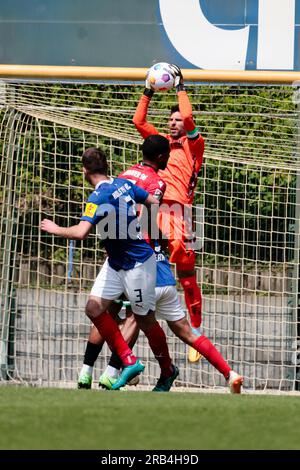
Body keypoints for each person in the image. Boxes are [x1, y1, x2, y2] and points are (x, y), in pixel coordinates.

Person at [77, 140, 243, 393]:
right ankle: (228, 373)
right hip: (159, 267)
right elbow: (152, 213)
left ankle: (115, 371)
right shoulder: (158, 185)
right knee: (176, 327)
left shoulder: (123, 180)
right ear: (163, 156)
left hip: (137, 263)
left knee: (117, 312)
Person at [40, 146, 178, 390]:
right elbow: (152, 200)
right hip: (116, 263)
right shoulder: (122, 184)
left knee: (146, 321)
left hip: (138, 265)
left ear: (85, 170)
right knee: (93, 308)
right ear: (105, 166)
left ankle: (167, 370)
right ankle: (128, 360)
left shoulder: (97, 197)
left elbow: (81, 232)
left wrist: (55, 228)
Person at [78, 244, 243, 394]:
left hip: (145, 279)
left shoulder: (127, 222)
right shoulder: (151, 219)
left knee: (123, 316)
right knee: (187, 333)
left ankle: (111, 372)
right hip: (166, 281)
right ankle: (229, 374)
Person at [132, 65, 204, 363]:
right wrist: (148, 89)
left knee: (187, 275)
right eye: (171, 120)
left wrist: (180, 86)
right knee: (140, 270)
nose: (174, 123)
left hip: (180, 213)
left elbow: (189, 117)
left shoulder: (194, 145)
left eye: (178, 120)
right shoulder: (161, 143)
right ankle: (132, 338)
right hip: (152, 210)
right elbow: (138, 120)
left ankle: (196, 331)